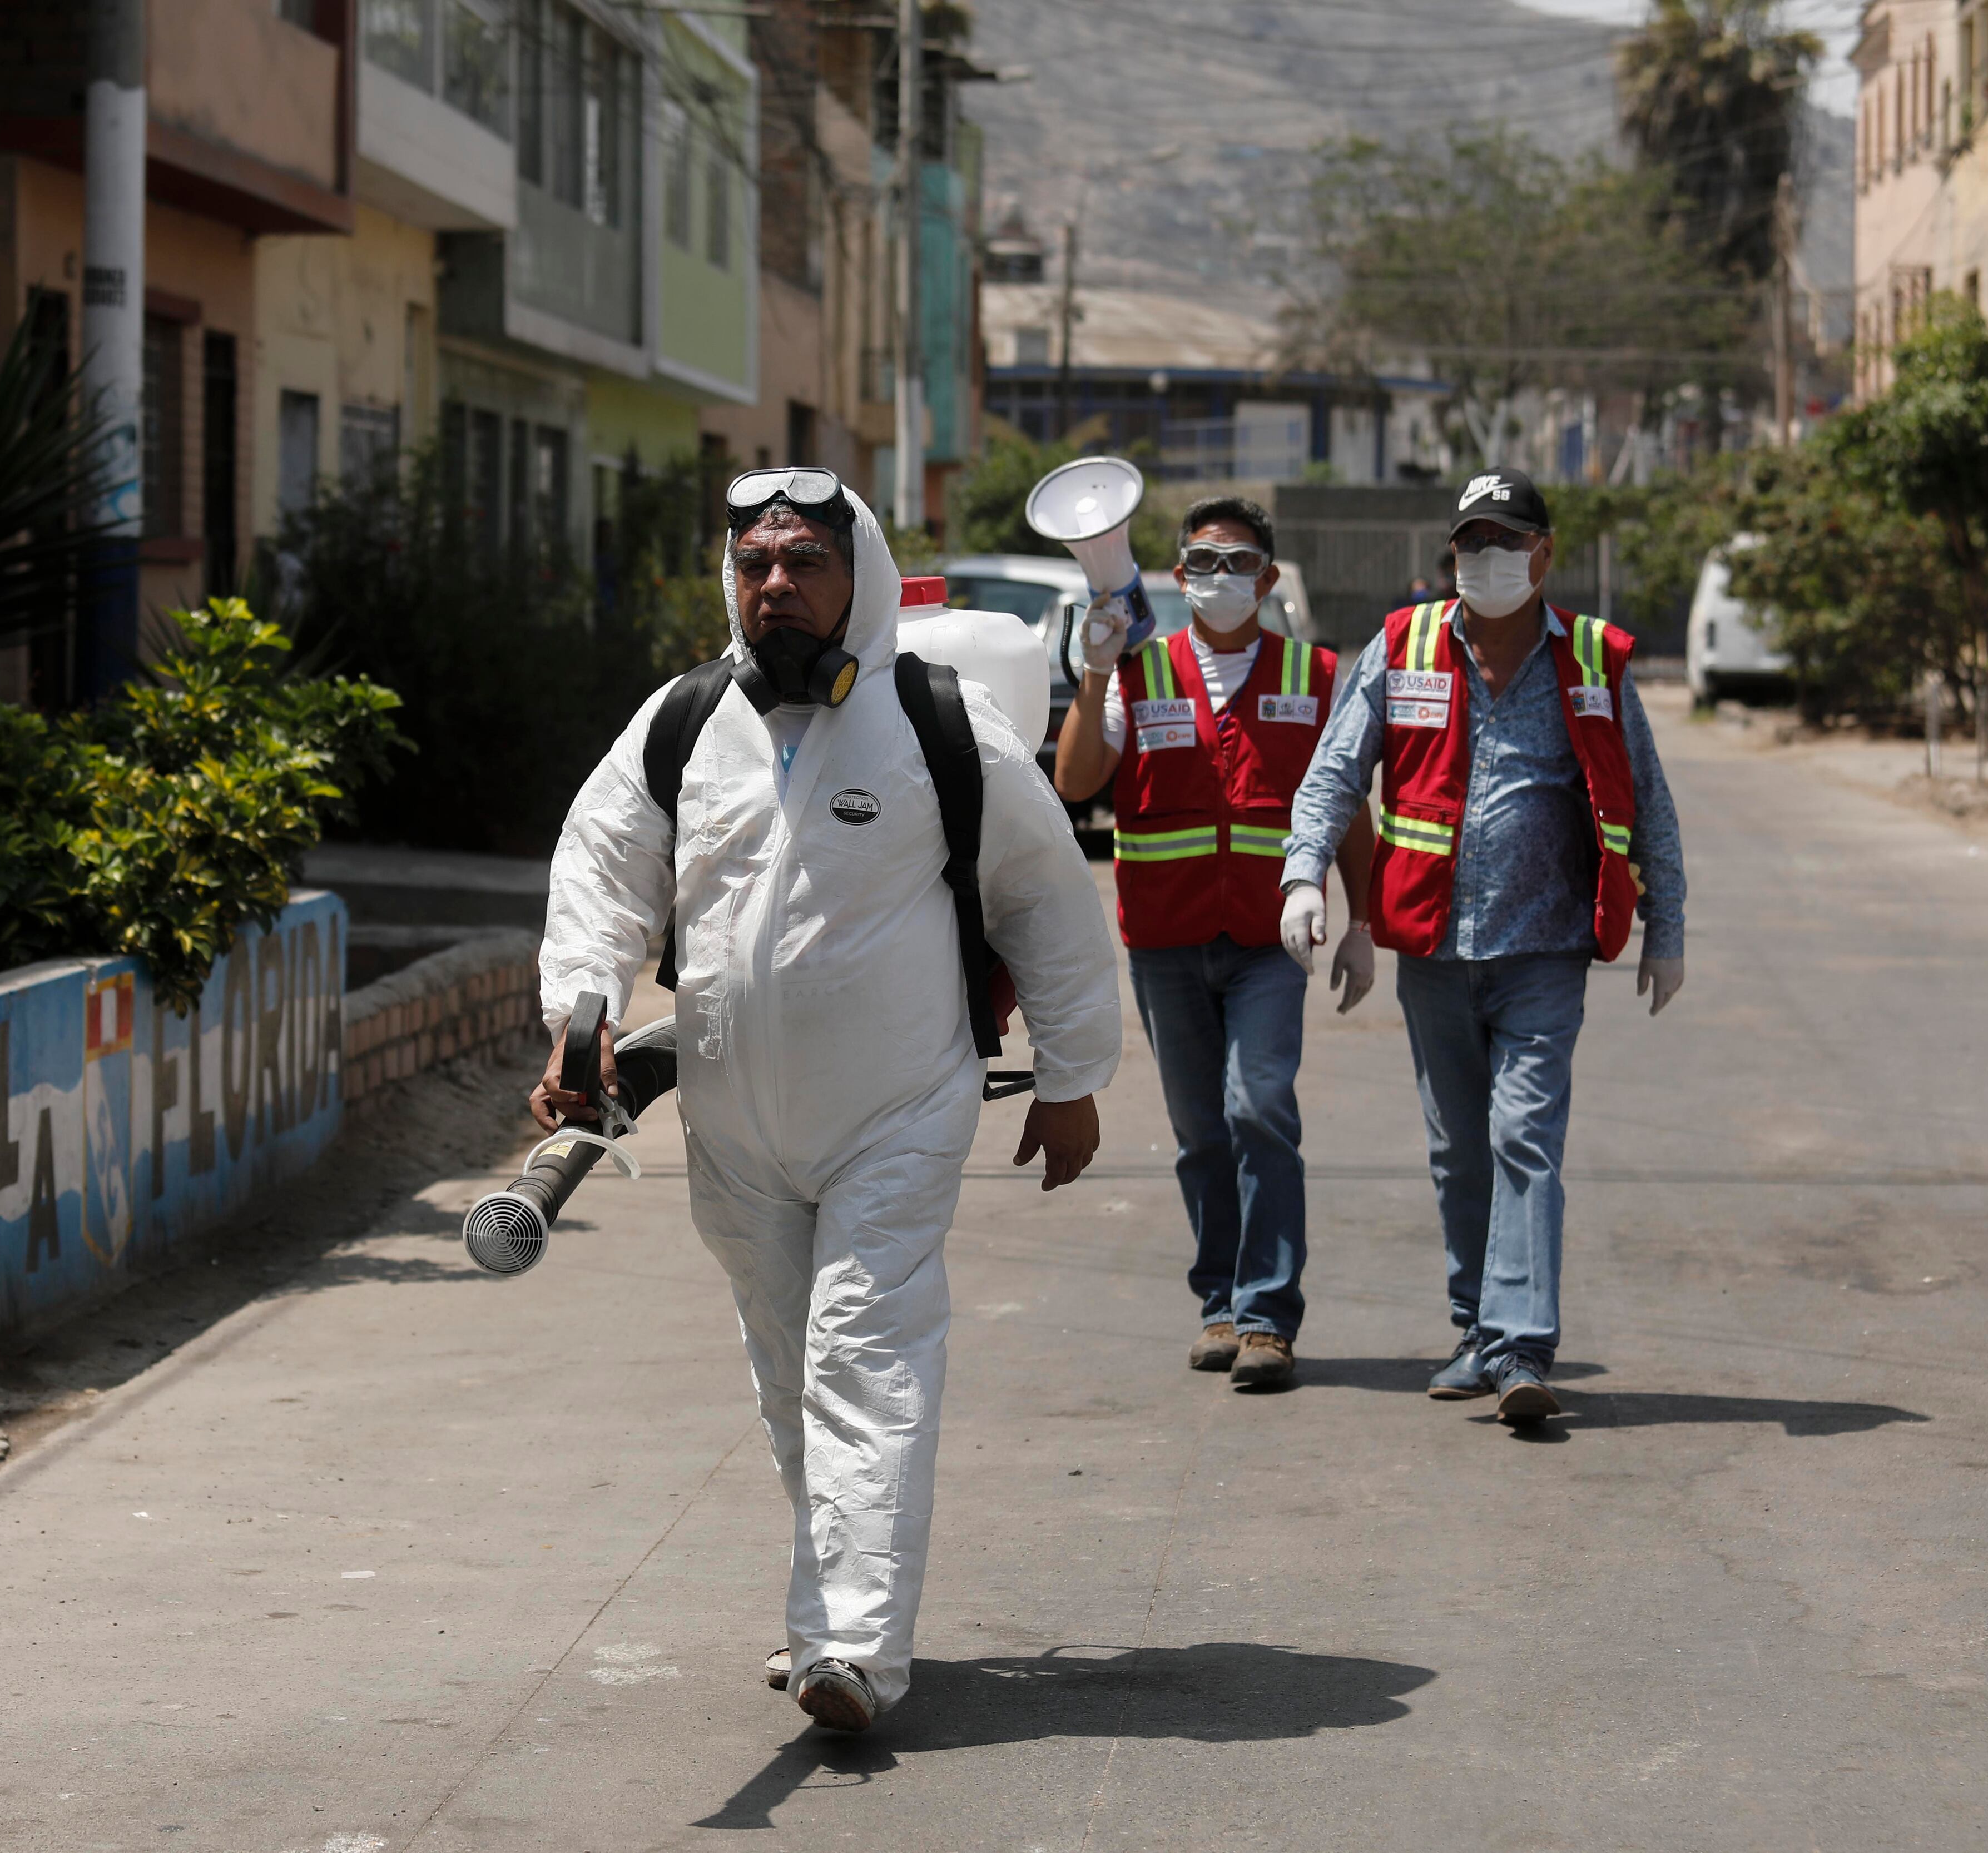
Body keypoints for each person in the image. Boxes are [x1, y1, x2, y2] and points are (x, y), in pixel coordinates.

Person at [533, 470, 1121, 1733]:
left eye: (804, 562)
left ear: (860, 577)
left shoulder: (937, 722)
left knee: (863, 1353)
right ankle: (828, 1609)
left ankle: (852, 1645)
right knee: (790, 1370)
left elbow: (1047, 900)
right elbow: (602, 869)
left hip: (895, 1113)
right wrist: (583, 1010)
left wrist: (1073, 1075)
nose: (777, 585)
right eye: (755, 564)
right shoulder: (686, 721)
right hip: (733, 1127)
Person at [1282, 466, 1686, 1426]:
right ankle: (1477, 1328)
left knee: (1524, 1140)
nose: (1487, 557)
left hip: (1545, 949)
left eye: (1506, 541)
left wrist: (1667, 926)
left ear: (1544, 555)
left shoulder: (1592, 660)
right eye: (1472, 542)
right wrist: (1305, 873)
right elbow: (1336, 771)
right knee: (1459, 1151)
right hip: (1434, 949)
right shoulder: (1404, 647)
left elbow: (1649, 799)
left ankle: (1522, 1345)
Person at [1050, 496, 1377, 1390]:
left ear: (1267, 580)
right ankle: (1221, 1305)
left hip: (1272, 938)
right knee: (1200, 1132)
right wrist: (1093, 674)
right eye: (1203, 562)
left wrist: (1363, 923)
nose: (1220, 577)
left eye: (1239, 563)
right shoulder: (1137, 672)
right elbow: (1075, 779)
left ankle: (1268, 1316)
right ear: (1177, 576)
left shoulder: (1316, 674)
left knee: (1258, 1106)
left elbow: (1350, 805)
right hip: (1166, 941)